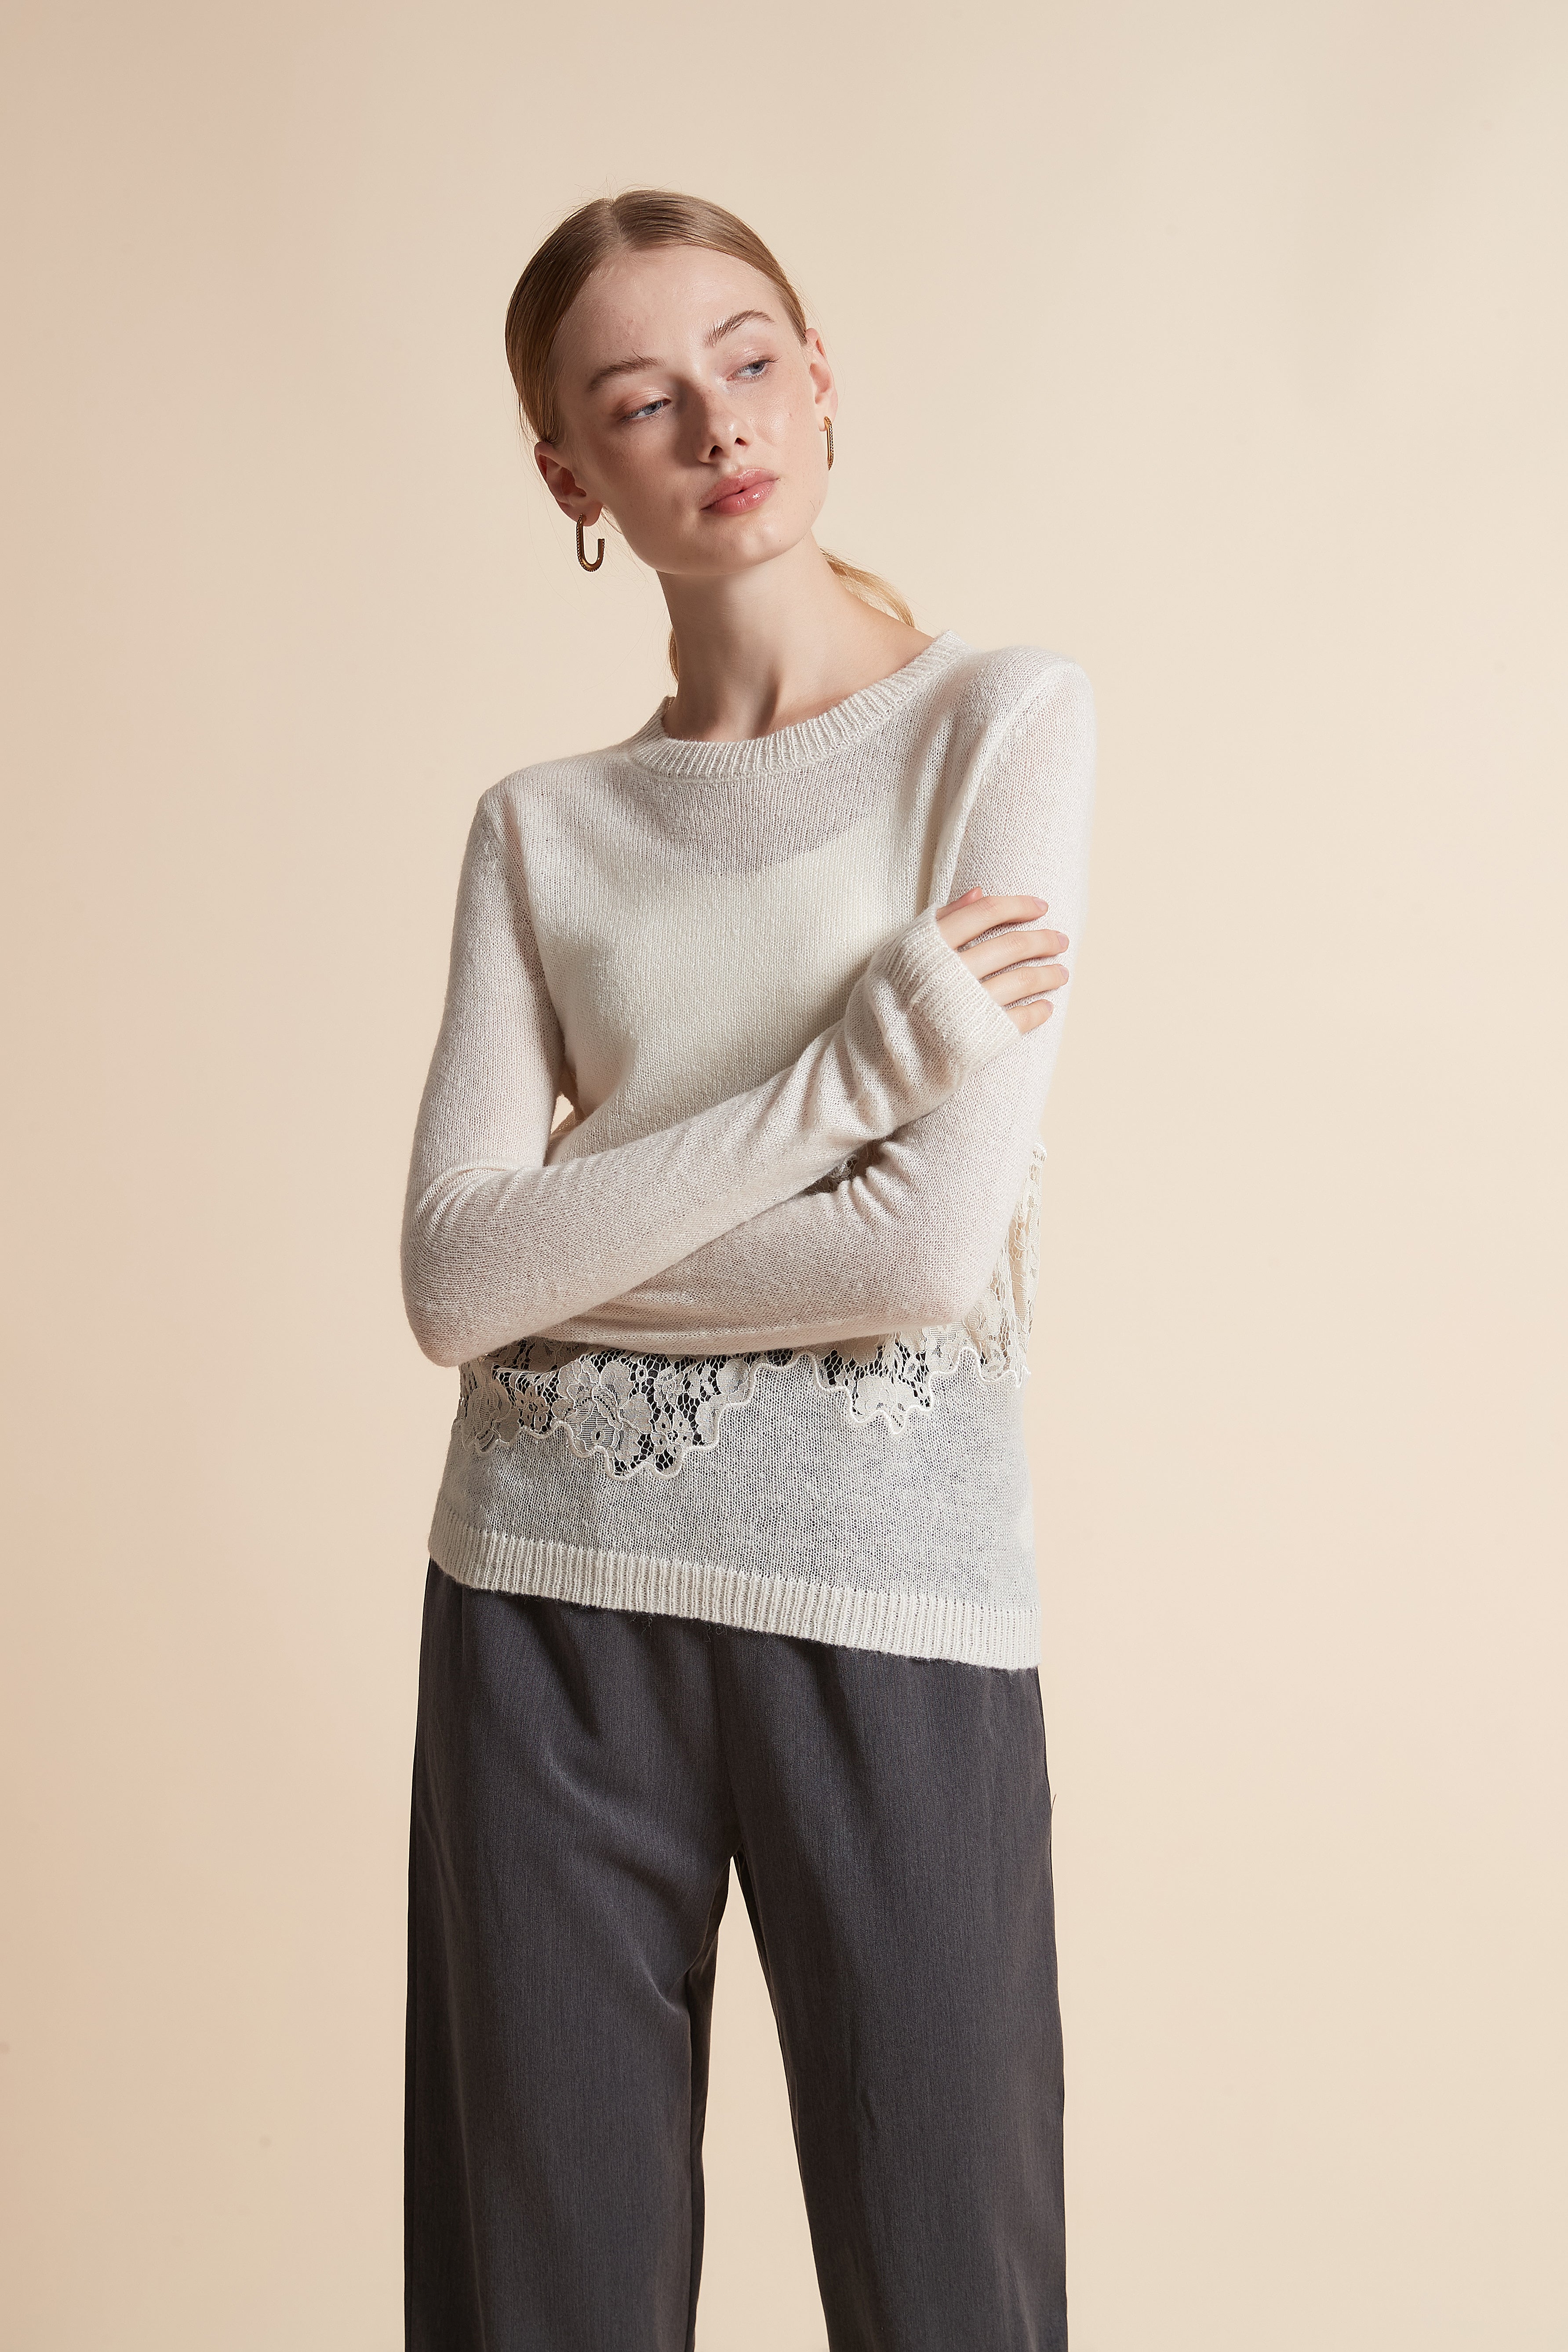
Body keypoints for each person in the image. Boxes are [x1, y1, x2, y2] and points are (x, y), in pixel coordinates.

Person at [399, 187, 1097, 2352]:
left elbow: (919, 1254)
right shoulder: (540, 828)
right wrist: (850, 1077)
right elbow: (447, 1282)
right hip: (541, 1597)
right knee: (542, 2294)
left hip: (888, 1595)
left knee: (951, 2281)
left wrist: (561, 1251)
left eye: (751, 360)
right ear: (569, 476)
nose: (717, 427)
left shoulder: (998, 725)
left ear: (820, 379)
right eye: (640, 403)